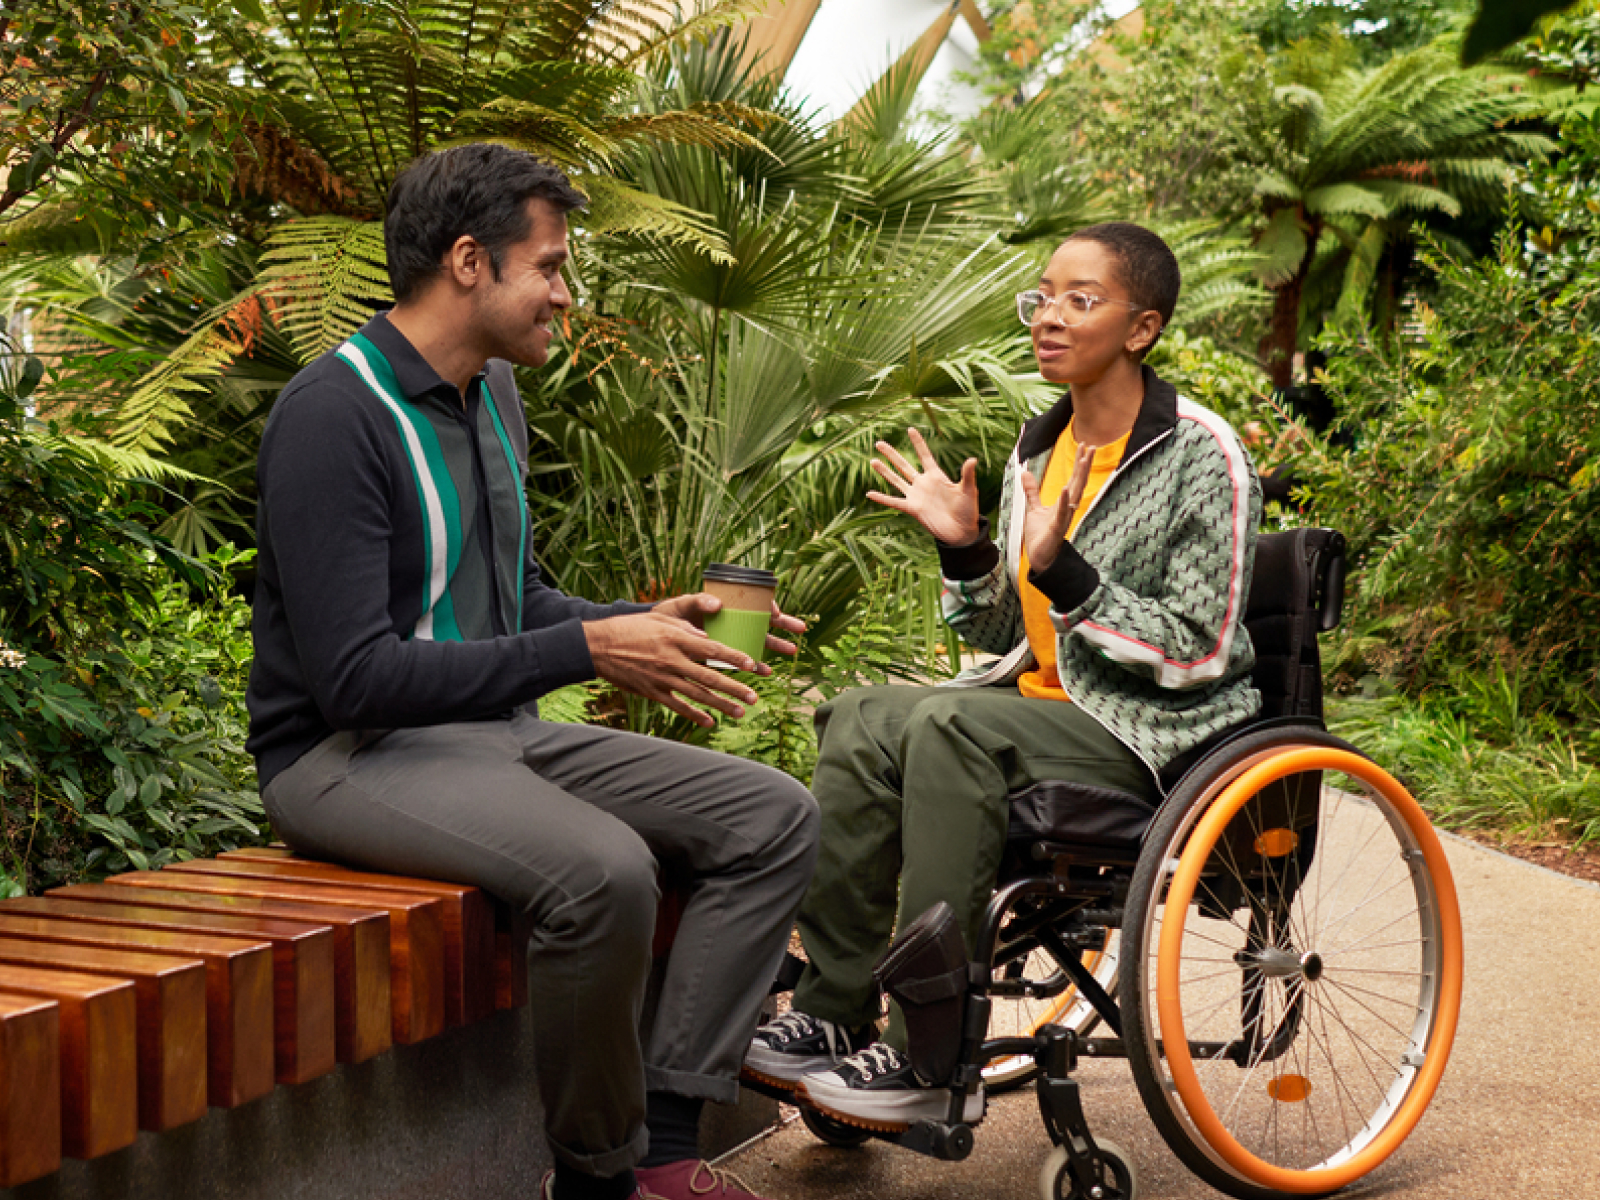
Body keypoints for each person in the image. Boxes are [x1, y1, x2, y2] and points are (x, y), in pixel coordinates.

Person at [245, 144, 819, 1200]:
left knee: (772, 815)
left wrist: (647, 626)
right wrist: (586, 649)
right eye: (550, 266)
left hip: (491, 737)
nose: (566, 291)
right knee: (601, 874)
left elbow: (517, 605)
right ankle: (595, 1179)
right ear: (469, 261)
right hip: (343, 755)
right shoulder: (333, 415)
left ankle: (663, 1147)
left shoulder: (492, 395)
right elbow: (354, 679)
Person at [743, 222, 1262, 1129]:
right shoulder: (1037, 452)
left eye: (1080, 299)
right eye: (1042, 297)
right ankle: (831, 1014)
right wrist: (969, 549)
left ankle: (924, 1052)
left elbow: (1199, 648)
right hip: (1042, 709)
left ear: (1141, 328)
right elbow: (1007, 629)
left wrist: (1070, 575)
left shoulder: (1199, 455)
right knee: (862, 714)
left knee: (950, 727)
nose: (1048, 317)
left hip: (1151, 737)